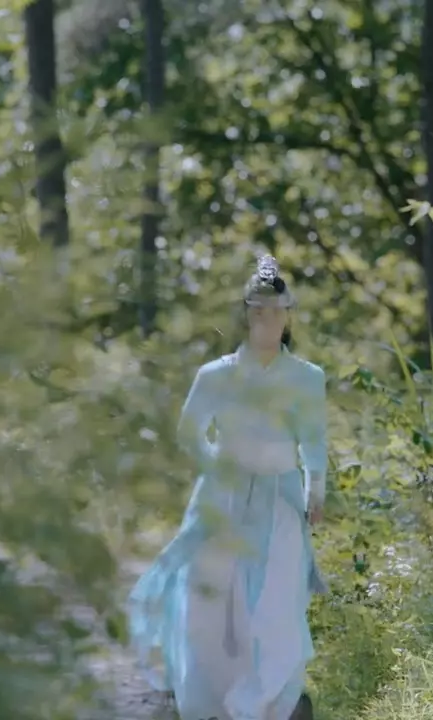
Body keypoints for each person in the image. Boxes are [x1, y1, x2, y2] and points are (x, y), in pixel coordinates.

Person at [127, 255, 328, 720]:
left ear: (288, 316)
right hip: (222, 499)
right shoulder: (215, 374)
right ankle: (215, 702)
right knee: (213, 604)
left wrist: (315, 489)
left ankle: (264, 702)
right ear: (245, 314)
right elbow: (189, 433)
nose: (268, 320)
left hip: (280, 500)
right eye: (259, 311)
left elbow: (314, 442)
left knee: (276, 606)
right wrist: (217, 466)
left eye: (276, 311)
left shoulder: (307, 377)